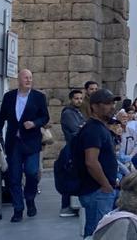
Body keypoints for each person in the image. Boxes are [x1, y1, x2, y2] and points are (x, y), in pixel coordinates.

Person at [0, 69, 50, 223]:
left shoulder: (38, 97)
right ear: (19, 79)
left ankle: (30, 199)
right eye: (25, 77)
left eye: (31, 77)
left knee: (32, 172)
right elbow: (1, 117)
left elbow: (45, 116)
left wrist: (35, 123)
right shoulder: (9, 97)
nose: (28, 80)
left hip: (31, 142)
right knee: (14, 177)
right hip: (14, 143)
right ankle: (18, 209)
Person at [76, 88, 120, 238]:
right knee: (98, 233)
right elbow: (91, 161)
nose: (112, 107)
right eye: (107, 103)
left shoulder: (99, 127)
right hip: (97, 191)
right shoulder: (93, 129)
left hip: (101, 190)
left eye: (113, 103)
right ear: (94, 106)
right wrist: (105, 185)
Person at [59, 88, 86, 217]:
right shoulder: (68, 113)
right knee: (69, 176)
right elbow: (77, 130)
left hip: (77, 147)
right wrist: (83, 127)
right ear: (71, 99)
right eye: (76, 98)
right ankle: (65, 207)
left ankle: (72, 205)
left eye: (81, 98)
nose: (79, 100)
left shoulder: (78, 112)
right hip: (72, 148)